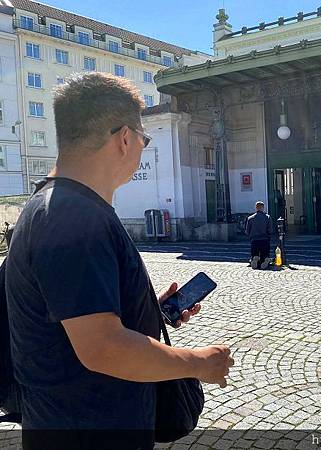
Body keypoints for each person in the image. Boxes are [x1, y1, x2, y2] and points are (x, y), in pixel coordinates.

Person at [5, 73, 234, 450]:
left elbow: (73, 316)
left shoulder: (52, 203)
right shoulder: (74, 216)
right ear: (125, 138)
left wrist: (146, 312)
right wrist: (198, 363)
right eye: (144, 138)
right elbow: (103, 348)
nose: (142, 146)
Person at [245, 201, 273, 269]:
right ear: (263, 208)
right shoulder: (267, 217)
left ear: (256, 208)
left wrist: (250, 236)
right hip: (265, 239)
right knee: (265, 254)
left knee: (255, 253)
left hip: (254, 240)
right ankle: (265, 260)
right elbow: (270, 230)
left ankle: (255, 259)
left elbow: (247, 231)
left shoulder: (250, 218)